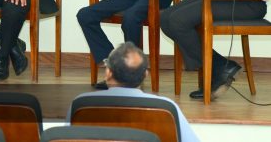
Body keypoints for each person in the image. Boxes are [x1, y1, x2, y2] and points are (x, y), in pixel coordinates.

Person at [66, 42, 200, 142]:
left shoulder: (80, 104)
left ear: (108, 73)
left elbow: (66, 137)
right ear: (145, 75)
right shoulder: (167, 107)